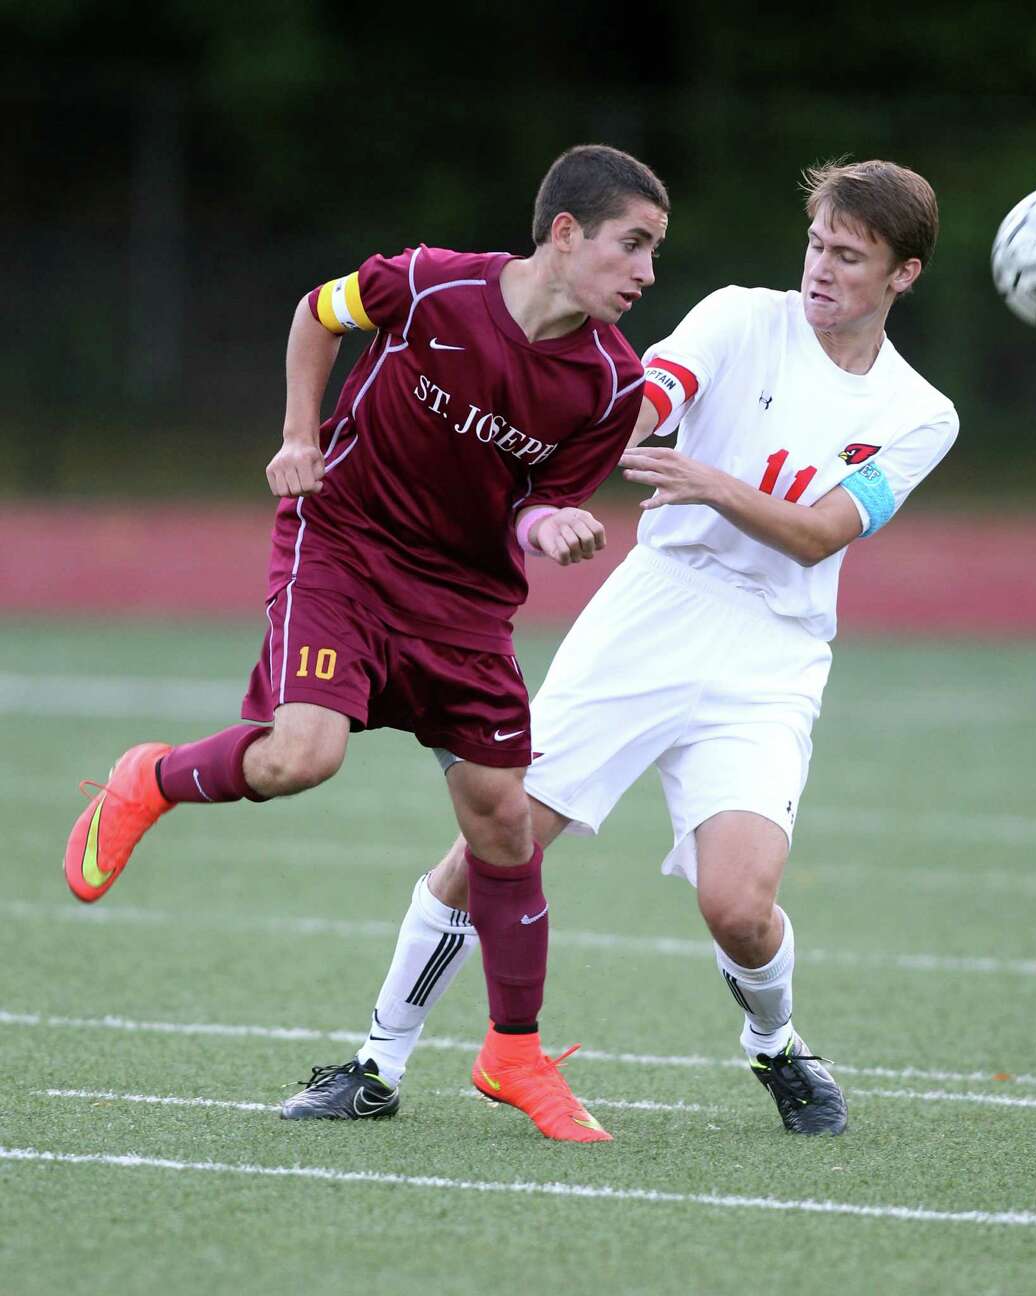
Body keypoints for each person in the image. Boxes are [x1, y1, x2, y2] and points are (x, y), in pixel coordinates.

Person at [284, 157, 958, 1136]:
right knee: (497, 840)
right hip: (654, 610)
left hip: (773, 655)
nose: (821, 269)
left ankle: (775, 1045)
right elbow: (639, 401)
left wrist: (712, 480)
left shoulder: (918, 414)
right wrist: (559, 461)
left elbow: (817, 533)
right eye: (816, 244)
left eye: (849, 257)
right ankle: (374, 1064)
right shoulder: (739, 317)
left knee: (739, 906)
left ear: (903, 275)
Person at [62, 143, 671, 1145]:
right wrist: (300, 433)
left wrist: (548, 526)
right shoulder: (431, 286)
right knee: (303, 755)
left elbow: (536, 506)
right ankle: (152, 778)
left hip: (466, 600)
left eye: (653, 251)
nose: (646, 273)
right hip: (341, 544)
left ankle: (513, 1052)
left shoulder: (610, 385)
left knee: (504, 824)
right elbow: (318, 313)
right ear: (565, 234)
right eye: (632, 245)